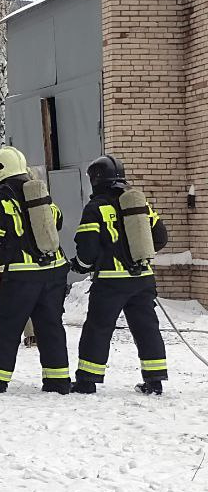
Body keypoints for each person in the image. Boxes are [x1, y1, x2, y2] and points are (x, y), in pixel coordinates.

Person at [0, 146, 71, 394]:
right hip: (54, 271)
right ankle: (58, 381)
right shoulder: (40, 194)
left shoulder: (1, 201)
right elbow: (58, 221)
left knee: (6, 326)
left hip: (23, 276)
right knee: (51, 326)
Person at [71, 154, 170, 396]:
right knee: (147, 328)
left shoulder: (95, 208)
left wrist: (81, 265)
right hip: (142, 279)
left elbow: (87, 249)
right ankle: (155, 380)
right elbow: (161, 238)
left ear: (95, 180)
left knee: (98, 328)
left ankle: (87, 380)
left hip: (111, 282)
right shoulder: (139, 204)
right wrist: (138, 256)